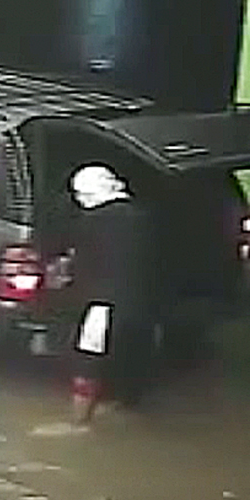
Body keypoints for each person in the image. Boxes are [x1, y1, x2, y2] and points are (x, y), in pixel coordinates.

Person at [64, 164, 155, 421]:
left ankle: (79, 421)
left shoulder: (93, 221)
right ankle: (124, 408)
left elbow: (83, 264)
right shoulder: (141, 217)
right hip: (140, 304)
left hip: (102, 304)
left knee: (87, 362)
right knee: (129, 359)